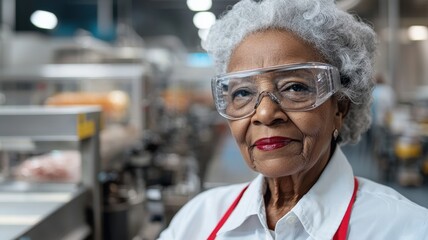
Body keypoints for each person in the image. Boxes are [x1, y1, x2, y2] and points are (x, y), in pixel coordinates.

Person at [158, 0, 428, 239]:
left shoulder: (406, 229)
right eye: (242, 92)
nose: (264, 114)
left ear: (340, 108)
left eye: (295, 88)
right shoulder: (197, 221)